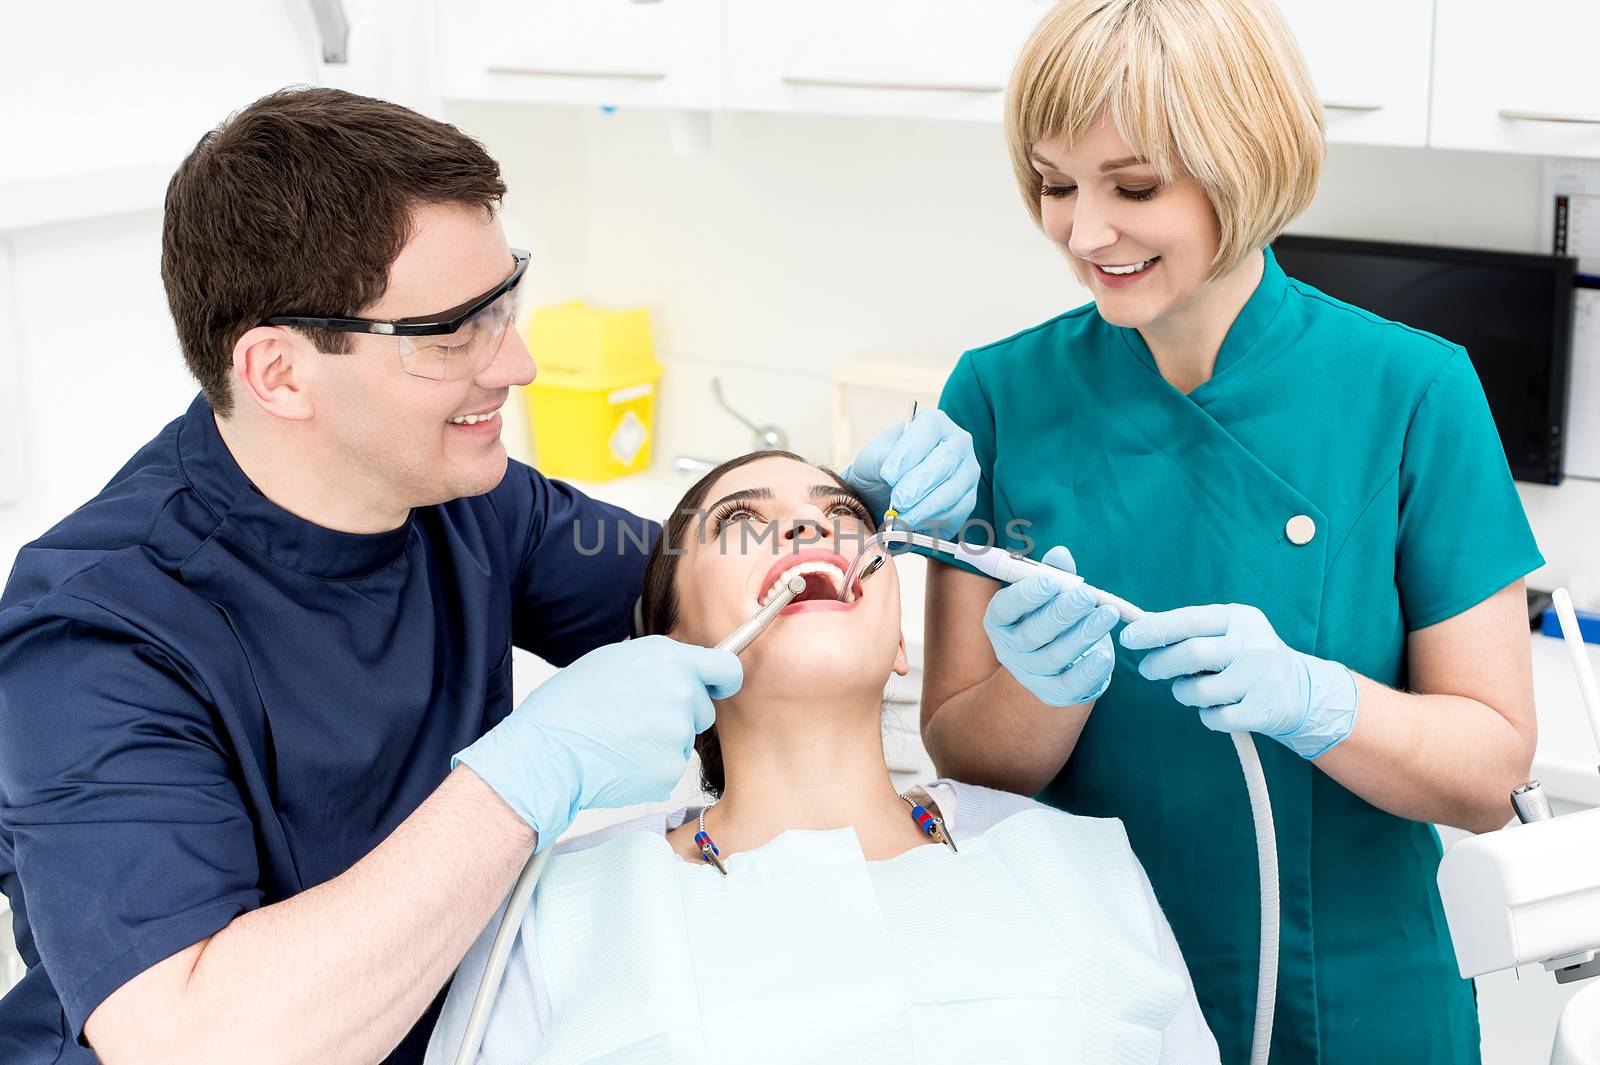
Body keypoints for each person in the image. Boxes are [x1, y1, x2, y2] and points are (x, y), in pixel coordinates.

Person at [0, 88, 979, 1065]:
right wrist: (518, 783)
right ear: (279, 373)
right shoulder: (94, 634)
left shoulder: (463, 497)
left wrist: (840, 517)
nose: (516, 365)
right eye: (452, 333)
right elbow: (194, 1043)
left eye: (504, 303)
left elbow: (701, 591)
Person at [919, 1, 1542, 1062]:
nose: (1081, 232)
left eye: (1134, 186)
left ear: (1242, 163)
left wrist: (1322, 703)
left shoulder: (1409, 390)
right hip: (1081, 988)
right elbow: (963, 754)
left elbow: (1488, 772)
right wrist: (1039, 690)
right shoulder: (996, 395)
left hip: (1352, 997)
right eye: (1055, 184)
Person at [425, 450, 1220, 1065]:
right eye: (740, 518)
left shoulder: (1071, 861)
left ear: (900, 644)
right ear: (673, 648)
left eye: (841, 511)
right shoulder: (555, 906)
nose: (809, 529)